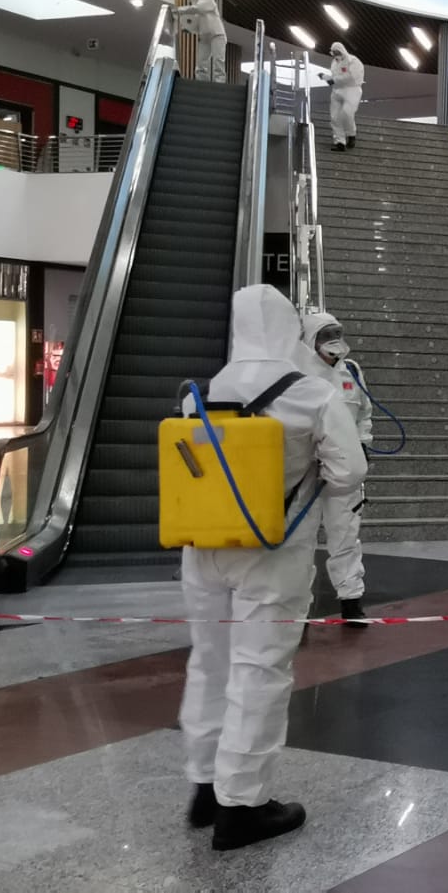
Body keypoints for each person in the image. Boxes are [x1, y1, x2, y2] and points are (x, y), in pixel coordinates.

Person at [180, 286, 367, 851]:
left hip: (204, 546)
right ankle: (244, 805)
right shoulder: (310, 393)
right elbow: (350, 471)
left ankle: (205, 789)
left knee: (209, 665)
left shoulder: (203, 393)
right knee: (259, 670)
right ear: (291, 330)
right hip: (273, 551)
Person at [300, 311, 373, 621]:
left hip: (344, 470)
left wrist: (363, 445)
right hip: (305, 470)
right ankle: (297, 606)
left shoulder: (351, 372)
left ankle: (351, 599)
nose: (333, 342)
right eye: (325, 335)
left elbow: (364, 412)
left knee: (345, 532)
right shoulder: (297, 374)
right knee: (300, 539)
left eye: (336, 334)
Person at [177, 0, 226, 83]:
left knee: (218, 60)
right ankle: (201, 83)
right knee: (201, 62)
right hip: (204, 37)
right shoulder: (194, 8)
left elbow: (199, 8)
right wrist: (189, 29)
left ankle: (220, 83)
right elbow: (195, 24)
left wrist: (180, 10)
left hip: (217, 34)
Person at [329, 42, 365, 151]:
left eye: (337, 52)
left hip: (352, 90)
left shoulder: (353, 61)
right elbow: (335, 76)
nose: (335, 54)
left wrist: (335, 80)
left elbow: (352, 77)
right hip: (336, 91)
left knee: (346, 113)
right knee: (335, 117)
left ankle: (351, 135)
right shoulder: (334, 63)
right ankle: (340, 142)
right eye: (333, 52)